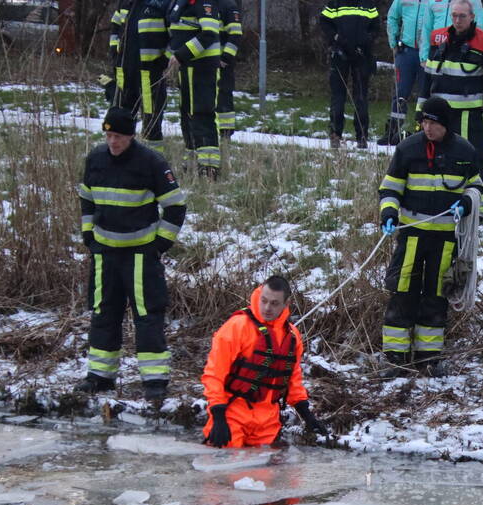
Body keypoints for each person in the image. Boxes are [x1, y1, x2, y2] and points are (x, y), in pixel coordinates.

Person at [75, 108, 186, 401]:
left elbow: (176, 206)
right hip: (104, 254)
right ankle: (99, 376)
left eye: (119, 137)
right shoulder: (96, 159)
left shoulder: (151, 162)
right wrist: (89, 235)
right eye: (109, 135)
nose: (113, 142)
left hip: (139, 255)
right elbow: (86, 199)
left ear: (131, 136)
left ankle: (154, 381)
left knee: (147, 316)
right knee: (103, 312)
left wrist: (159, 244)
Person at [378, 97, 483, 377]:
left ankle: (429, 359)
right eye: (424, 121)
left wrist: (467, 203)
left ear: (446, 125)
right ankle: (395, 358)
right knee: (402, 293)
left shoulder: (465, 151)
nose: (427, 127)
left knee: (436, 296)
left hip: (446, 239)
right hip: (411, 235)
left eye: (433, 122)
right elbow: (389, 188)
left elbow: (477, 185)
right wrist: (388, 214)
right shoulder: (407, 149)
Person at [202, 276, 329, 448]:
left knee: (269, 474)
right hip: (232, 416)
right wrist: (218, 415)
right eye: (264, 301)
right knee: (225, 472)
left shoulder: (292, 336)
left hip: (268, 422)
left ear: (286, 303)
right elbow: (214, 374)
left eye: (274, 303)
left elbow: (293, 379)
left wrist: (307, 415)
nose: (267, 308)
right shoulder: (237, 327)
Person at [417, 0, 483, 203]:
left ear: (472, 17)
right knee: (437, 160)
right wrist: (420, 113)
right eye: (454, 15)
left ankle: (479, 208)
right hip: (439, 118)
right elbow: (426, 81)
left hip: (468, 117)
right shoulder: (441, 41)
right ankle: (443, 202)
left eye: (462, 16)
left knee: (473, 160)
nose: (457, 20)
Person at [166, 0, 222, 179]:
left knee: (202, 114)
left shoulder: (205, 3)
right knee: (188, 115)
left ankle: (209, 168)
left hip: (202, 67)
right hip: (188, 67)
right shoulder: (181, 3)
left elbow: (209, 34)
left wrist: (181, 55)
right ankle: (192, 162)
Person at [108, 0, 170, 153]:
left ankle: (154, 160)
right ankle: (124, 156)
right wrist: (114, 51)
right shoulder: (126, 3)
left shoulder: (162, 3)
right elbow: (115, 26)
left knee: (152, 119)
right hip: (126, 70)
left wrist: (165, 58)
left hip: (150, 71)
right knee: (123, 116)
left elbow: (176, 34)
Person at [320, 0, 380, 149]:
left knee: (360, 96)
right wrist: (335, 38)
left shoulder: (368, 4)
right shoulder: (336, 3)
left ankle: (362, 137)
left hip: (361, 55)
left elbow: (376, 25)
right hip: (340, 54)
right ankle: (335, 135)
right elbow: (324, 21)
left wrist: (368, 39)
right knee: (338, 96)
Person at [382, 0, 427, 145]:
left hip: (427, 53)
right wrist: (393, 43)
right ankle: (393, 130)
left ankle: (422, 130)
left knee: (425, 95)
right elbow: (392, 17)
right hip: (406, 52)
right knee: (400, 93)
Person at [419, 0, 483, 63]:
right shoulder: (432, 1)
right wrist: (424, 57)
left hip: (463, 51)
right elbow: (426, 29)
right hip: (437, 51)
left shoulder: (475, 1)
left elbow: (479, 28)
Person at [216, 0, 243, 138]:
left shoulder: (227, 5)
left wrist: (225, 57)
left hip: (223, 63)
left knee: (224, 96)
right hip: (207, 62)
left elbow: (235, 34)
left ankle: (226, 134)